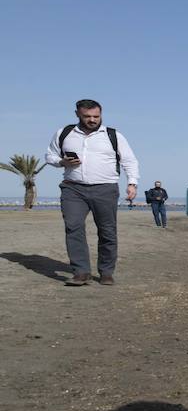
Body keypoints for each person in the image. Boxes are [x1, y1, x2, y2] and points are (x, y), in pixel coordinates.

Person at [46, 99, 141, 286]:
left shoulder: (113, 135)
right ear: (77, 114)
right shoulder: (64, 133)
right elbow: (50, 155)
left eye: (96, 116)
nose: (92, 120)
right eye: (87, 116)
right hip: (73, 188)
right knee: (73, 227)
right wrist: (62, 162)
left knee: (107, 231)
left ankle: (106, 272)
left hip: (105, 188)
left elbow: (129, 161)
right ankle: (81, 272)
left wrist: (132, 183)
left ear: (101, 114)